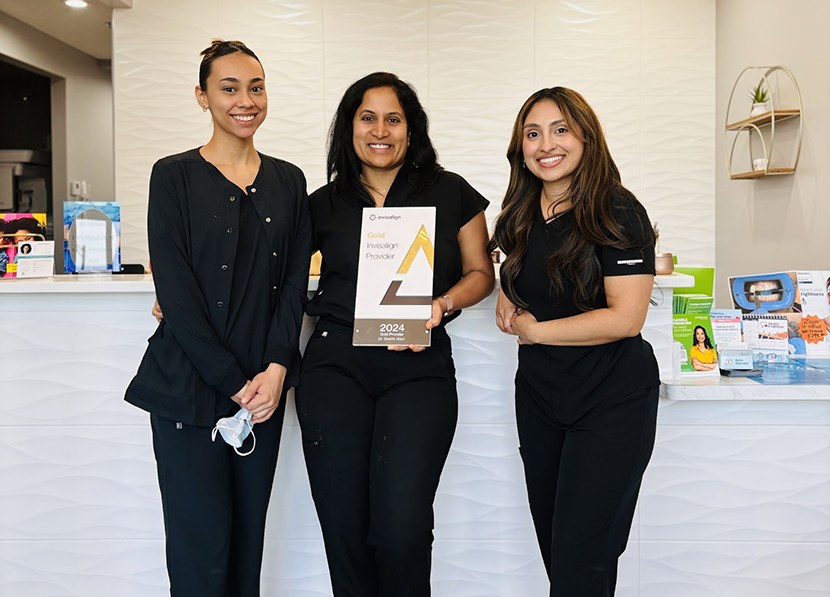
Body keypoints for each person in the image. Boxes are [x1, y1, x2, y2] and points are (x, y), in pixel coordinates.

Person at [296, 72, 495, 597]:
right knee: (344, 528)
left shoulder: (450, 191)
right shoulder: (321, 203)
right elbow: (274, 271)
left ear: (411, 129)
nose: (380, 130)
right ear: (349, 127)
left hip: (418, 363)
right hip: (334, 364)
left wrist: (442, 304)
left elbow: (480, 274)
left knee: (401, 530)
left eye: (393, 118)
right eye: (367, 117)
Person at [125, 39, 311, 597]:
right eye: (229, 88)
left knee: (245, 549)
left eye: (256, 87)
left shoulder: (289, 181)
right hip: (189, 388)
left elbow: (293, 290)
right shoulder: (173, 176)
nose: (245, 100)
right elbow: (176, 296)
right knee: (199, 553)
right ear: (202, 96)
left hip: (263, 393)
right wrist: (234, 384)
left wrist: (278, 367)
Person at [490, 87, 659, 596]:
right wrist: (506, 286)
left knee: (581, 560)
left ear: (586, 136)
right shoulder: (521, 211)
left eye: (561, 129)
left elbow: (627, 318)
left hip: (611, 399)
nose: (547, 144)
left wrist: (536, 331)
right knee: (557, 551)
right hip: (541, 397)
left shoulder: (616, 209)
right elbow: (526, 266)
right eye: (533, 132)